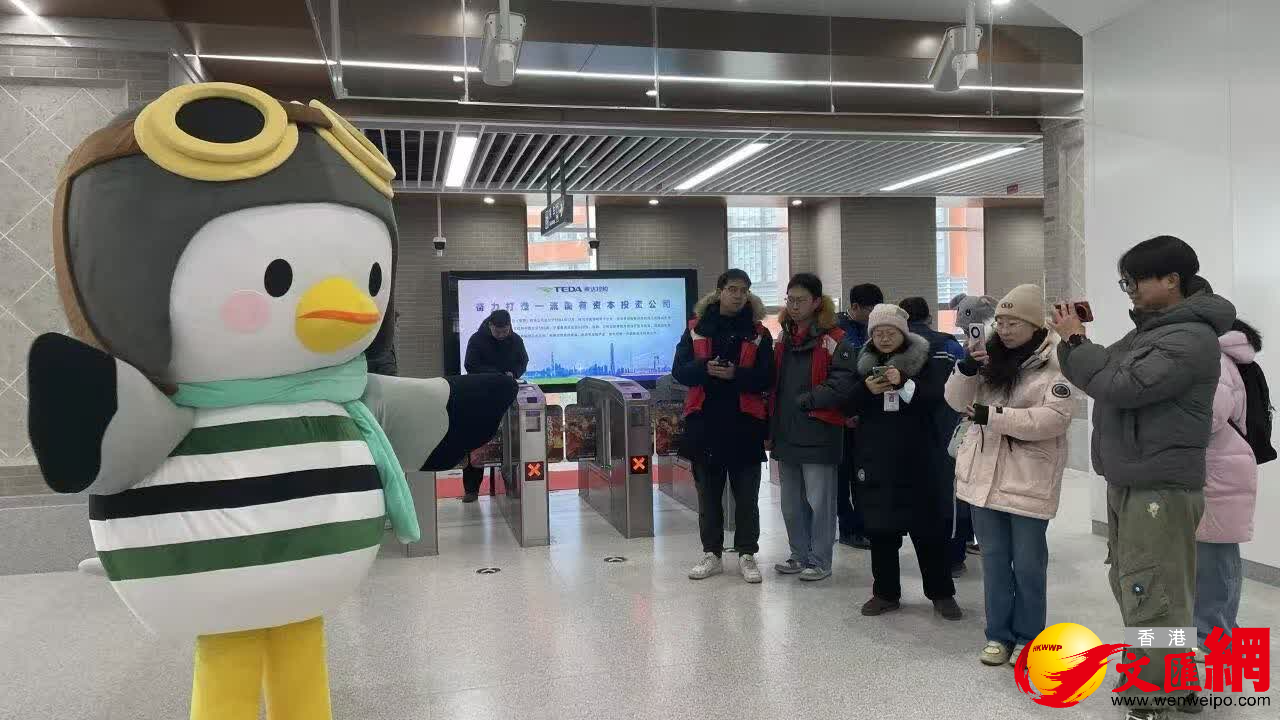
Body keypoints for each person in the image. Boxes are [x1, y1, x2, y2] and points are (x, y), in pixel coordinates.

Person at [1052, 236, 1234, 716]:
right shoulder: (1152, 332)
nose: (1129, 290)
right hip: (1135, 477)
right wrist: (1073, 343)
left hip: (1159, 485)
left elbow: (1120, 385)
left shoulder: (1190, 337)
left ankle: (1151, 697)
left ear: (1172, 280)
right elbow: (1096, 373)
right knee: (1145, 587)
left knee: (1151, 594)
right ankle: (1178, 684)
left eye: (1134, 281)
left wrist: (1077, 341)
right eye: (1125, 282)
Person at [944, 284, 1075, 666]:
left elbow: (1053, 419)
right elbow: (956, 401)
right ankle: (998, 635)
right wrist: (966, 370)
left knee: (1029, 566)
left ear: (1034, 324)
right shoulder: (988, 357)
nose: (1003, 328)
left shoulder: (1057, 362)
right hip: (983, 476)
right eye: (1000, 321)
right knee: (995, 563)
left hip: (1028, 479)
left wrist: (993, 416)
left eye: (1013, 322)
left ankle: (1030, 638)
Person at [846, 304, 962, 620]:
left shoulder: (926, 359)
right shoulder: (863, 363)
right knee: (881, 531)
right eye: (878, 333)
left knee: (928, 532)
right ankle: (885, 593)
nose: (884, 338)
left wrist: (904, 383)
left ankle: (941, 593)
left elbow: (938, 397)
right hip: (876, 459)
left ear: (904, 333)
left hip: (919, 459)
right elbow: (846, 403)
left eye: (891, 332)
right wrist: (866, 389)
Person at [672, 269, 775, 584]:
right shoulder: (696, 329)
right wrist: (705, 367)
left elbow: (767, 377)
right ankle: (712, 554)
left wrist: (735, 375)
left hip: (745, 424)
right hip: (705, 423)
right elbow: (679, 371)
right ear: (719, 292)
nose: (738, 295)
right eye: (732, 289)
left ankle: (747, 554)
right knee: (709, 497)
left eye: (744, 290)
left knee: (747, 498)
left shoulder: (758, 332)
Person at [769, 273, 859, 582]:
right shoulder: (784, 338)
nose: (794, 306)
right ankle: (798, 554)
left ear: (817, 302)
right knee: (791, 504)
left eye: (801, 300)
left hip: (819, 431)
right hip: (786, 432)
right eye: (790, 300)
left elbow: (843, 382)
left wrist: (809, 400)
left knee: (820, 503)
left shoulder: (834, 339)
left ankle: (820, 560)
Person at [1194, 319, 1261, 652]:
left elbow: (1208, 418)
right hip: (1224, 466)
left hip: (1217, 469)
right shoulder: (1226, 358)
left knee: (1213, 559)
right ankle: (1221, 633)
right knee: (1219, 556)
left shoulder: (1215, 361)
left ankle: (1211, 638)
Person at [900, 296, 969, 576]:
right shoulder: (950, 345)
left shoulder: (899, 346)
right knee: (950, 491)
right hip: (948, 425)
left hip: (909, 428)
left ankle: (929, 554)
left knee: (918, 492)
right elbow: (967, 379)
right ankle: (954, 556)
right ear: (929, 317)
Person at [461, 309, 529, 502]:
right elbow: (470, 365)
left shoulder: (516, 340)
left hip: (507, 396)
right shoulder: (477, 340)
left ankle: (511, 484)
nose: (501, 335)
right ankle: (471, 489)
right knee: (477, 442)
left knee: (510, 440)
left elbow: (523, 362)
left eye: (505, 331)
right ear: (490, 325)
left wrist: (514, 373)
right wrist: (496, 375)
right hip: (481, 396)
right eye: (498, 332)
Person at [835, 283, 884, 549]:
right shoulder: (838, 332)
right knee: (843, 477)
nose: (874, 316)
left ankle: (867, 526)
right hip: (843, 414)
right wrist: (845, 412)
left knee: (864, 474)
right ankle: (849, 529)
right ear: (854, 307)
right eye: (870, 310)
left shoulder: (875, 332)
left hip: (868, 413)